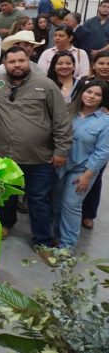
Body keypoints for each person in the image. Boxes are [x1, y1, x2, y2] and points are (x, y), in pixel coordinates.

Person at [0, 47, 72, 265]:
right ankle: (6, 224)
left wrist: (61, 151)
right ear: (4, 64)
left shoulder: (46, 85)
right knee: (6, 195)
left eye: (21, 60)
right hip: (5, 155)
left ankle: (42, 241)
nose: (17, 65)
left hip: (38, 157)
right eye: (12, 61)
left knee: (38, 199)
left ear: (28, 61)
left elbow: (61, 120)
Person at [52, 81, 109, 252]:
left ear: (103, 99)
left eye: (98, 94)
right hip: (60, 166)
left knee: (71, 206)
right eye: (89, 92)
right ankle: (56, 237)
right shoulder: (67, 111)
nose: (91, 96)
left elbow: (102, 152)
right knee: (55, 203)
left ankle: (67, 246)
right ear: (82, 92)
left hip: (82, 171)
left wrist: (87, 175)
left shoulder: (105, 121)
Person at [79, 52, 109, 230]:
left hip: (102, 135)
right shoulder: (84, 82)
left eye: (108, 64)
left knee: (94, 175)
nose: (105, 67)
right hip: (82, 133)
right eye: (101, 63)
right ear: (94, 65)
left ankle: (89, 213)